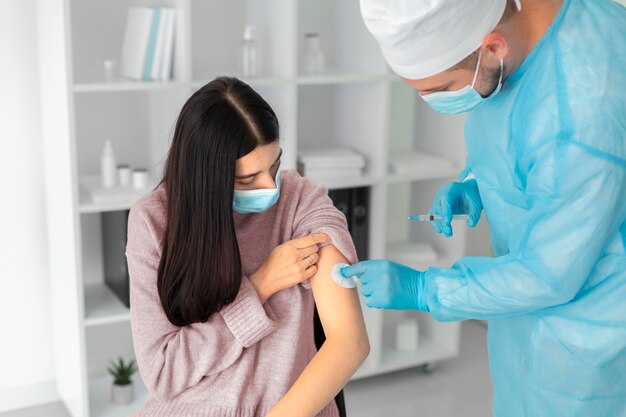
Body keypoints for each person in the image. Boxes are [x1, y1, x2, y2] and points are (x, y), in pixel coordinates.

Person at [341, 0, 626, 415]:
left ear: (493, 47)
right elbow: (525, 131)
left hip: (583, 346)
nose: (433, 102)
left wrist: (424, 289)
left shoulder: (581, 115)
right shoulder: (528, 28)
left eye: (439, 90)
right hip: (531, 318)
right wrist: (478, 183)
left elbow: (548, 274)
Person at [126, 76, 369, 417]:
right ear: (206, 177)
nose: (270, 187)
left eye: (274, 165)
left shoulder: (301, 201)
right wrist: (261, 285)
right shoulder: (153, 222)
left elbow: (350, 342)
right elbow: (163, 371)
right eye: (247, 179)